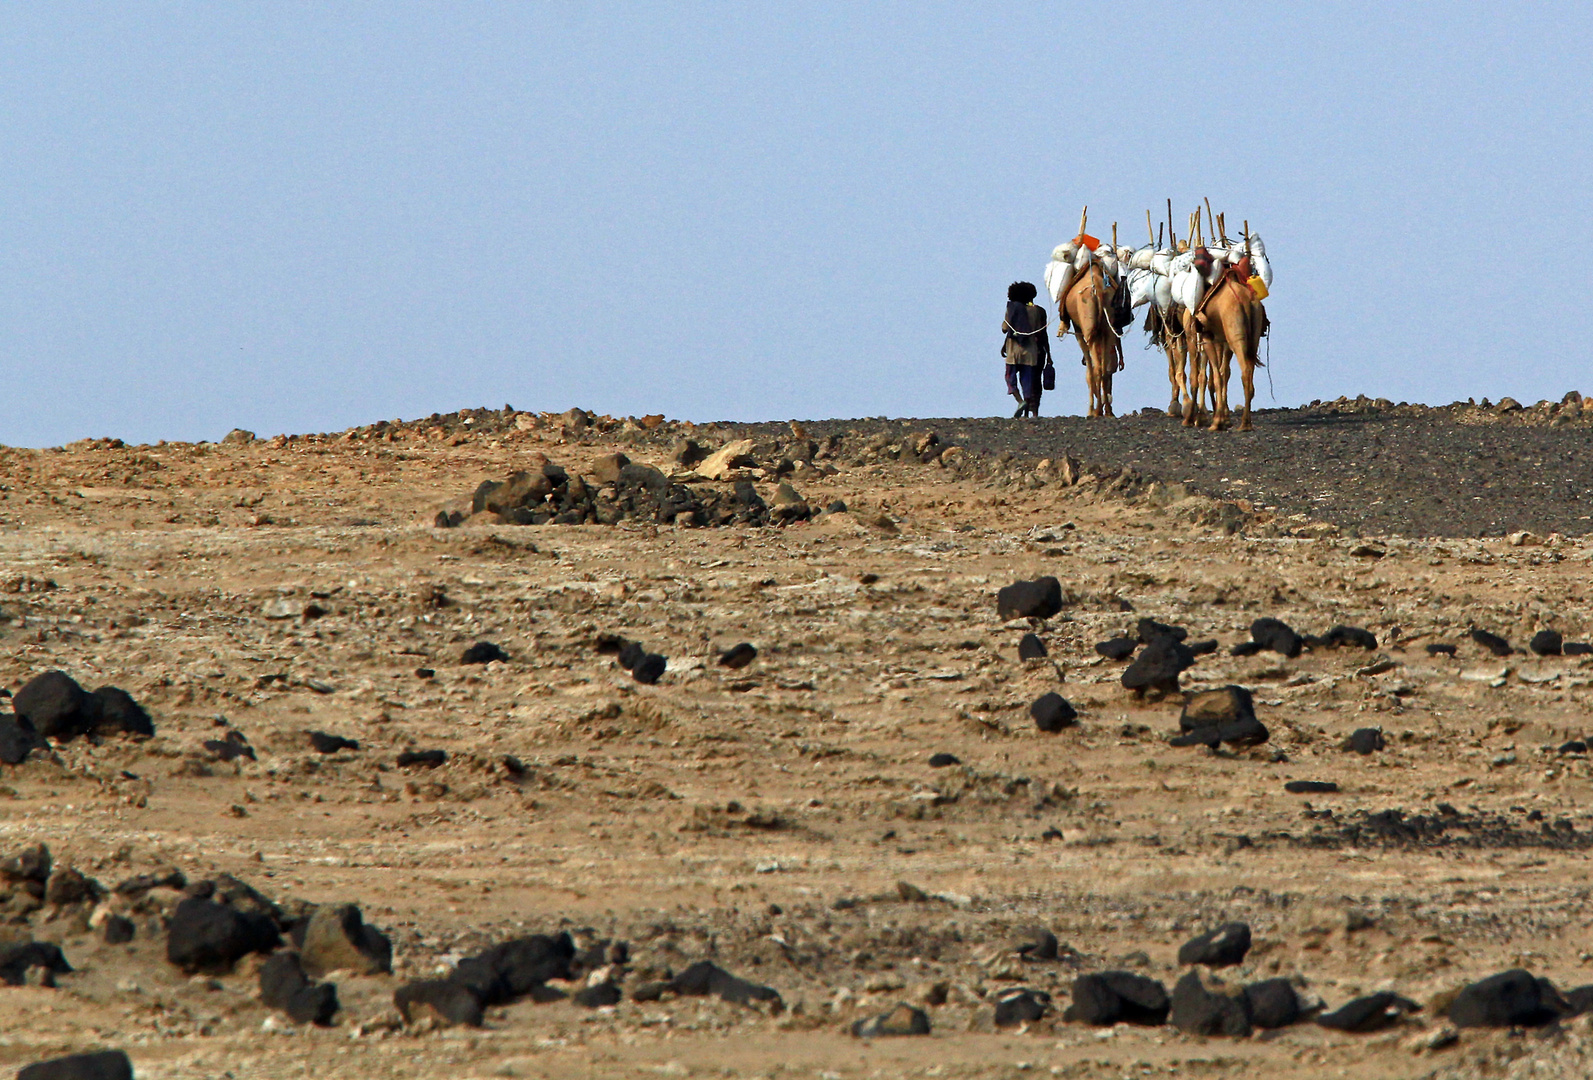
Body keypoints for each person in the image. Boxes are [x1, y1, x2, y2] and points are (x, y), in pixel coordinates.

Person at [1002, 281, 1052, 417]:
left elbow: (1005, 329)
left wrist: (1004, 346)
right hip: (1031, 352)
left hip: (1013, 351)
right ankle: (1028, 413)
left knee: (1010, 378)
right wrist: (1049, 354)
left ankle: (1020, 401)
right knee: (1028, 382)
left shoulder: (1011, 310)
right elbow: (1042, 334)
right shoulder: (1038, 311)